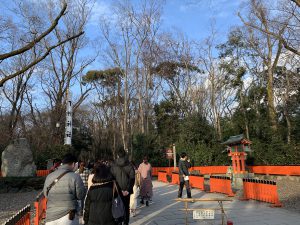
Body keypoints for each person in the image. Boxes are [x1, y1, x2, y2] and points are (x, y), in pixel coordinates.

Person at [43, 154, 85, 225]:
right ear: (74, 164)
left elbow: (46, 195)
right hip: (68, 215)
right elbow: (80, 195)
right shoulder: (75, 177)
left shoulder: (49, 176)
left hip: (51, 215)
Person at [110, 149, 135, 225]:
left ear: (117, 155)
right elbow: (132, 178)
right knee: (126, 207)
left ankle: (119, 221)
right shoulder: (129, 165)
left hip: (117, 191)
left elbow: (111, 178)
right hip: (127, 191)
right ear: (125, 155)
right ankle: (126, 223)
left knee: (117, 207)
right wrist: (128, 190)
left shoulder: (113, 165)